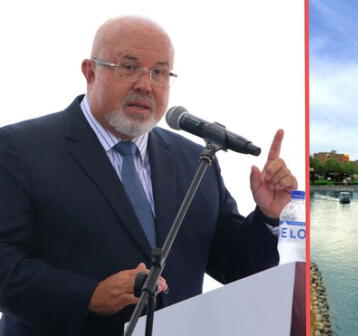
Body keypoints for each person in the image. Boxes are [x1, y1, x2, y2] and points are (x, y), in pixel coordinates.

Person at [0, 16, 297, 335]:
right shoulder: (19, 148)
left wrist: (267, 216)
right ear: (90, 72)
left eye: (159, 72)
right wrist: (89, 296)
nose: (145, 84)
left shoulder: (194, 160)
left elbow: (236, 266)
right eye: (129, 67)